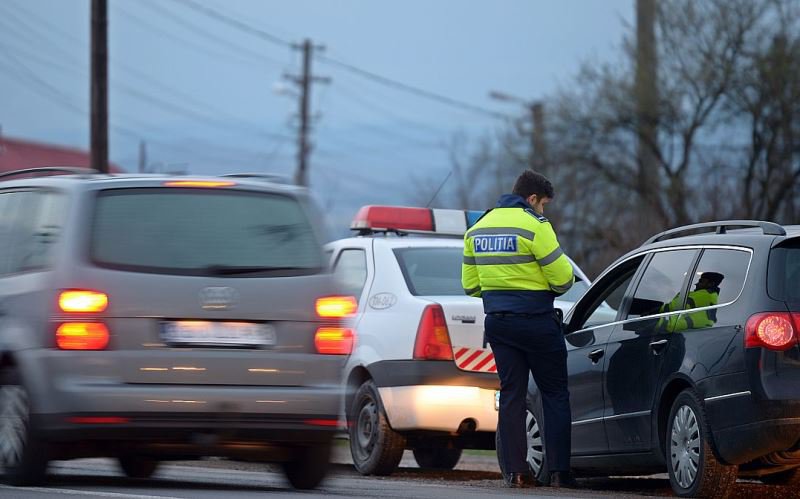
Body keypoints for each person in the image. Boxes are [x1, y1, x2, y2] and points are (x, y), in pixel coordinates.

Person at [462, 170, 575, 488]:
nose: (544, 211)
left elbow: (470, 286)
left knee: (511, 394)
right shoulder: (535, 227)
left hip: (499, 324)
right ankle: (560, 472)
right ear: (532, 199)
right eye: (543, 205)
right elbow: (564, 279)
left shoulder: (478, 229)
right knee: (554, 394)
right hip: (537, 322)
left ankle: (517, 472)